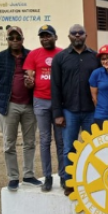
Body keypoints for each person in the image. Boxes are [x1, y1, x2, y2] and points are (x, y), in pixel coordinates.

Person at [51, 24, 100, 196]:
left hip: (91, 111)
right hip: (69, 111)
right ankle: (69, 181)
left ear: (86, 35)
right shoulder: (60, 58)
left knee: (92, 148)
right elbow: (55, 87)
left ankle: (92, 180)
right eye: (74, 33)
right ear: (69, 36)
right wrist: (57, 114)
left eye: (80, 33)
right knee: (69, 148)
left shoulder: (95, 57)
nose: (77, 36)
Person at [0, 26, 41, 191]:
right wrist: (5, 97)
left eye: (17, 38)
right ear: (7, 40)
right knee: (9, 143)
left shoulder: (31, 56)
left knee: (30, 142)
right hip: (10, 105)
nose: (14, 41)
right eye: (11, 38)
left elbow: (39, 78)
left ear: (22, 39)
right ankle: (13, 177)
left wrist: (31, 85)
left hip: (29, 105)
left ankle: (28, 175)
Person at [23, 24, 64, 192]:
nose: (45, 38)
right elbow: (29, 75)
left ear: (55, 37)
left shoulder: (62, 54)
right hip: (40, 101)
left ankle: (63, 176)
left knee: (61, 141)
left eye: (48, 35)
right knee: (45, 140)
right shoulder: (34, 54)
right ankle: (47, 176)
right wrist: (29, 81)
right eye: (42, 36)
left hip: (59, 103)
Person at [89, 44, 108, 128]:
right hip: (102, 116)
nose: (105, 61)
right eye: (103, 59)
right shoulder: (96, 73)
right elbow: (94, 97)